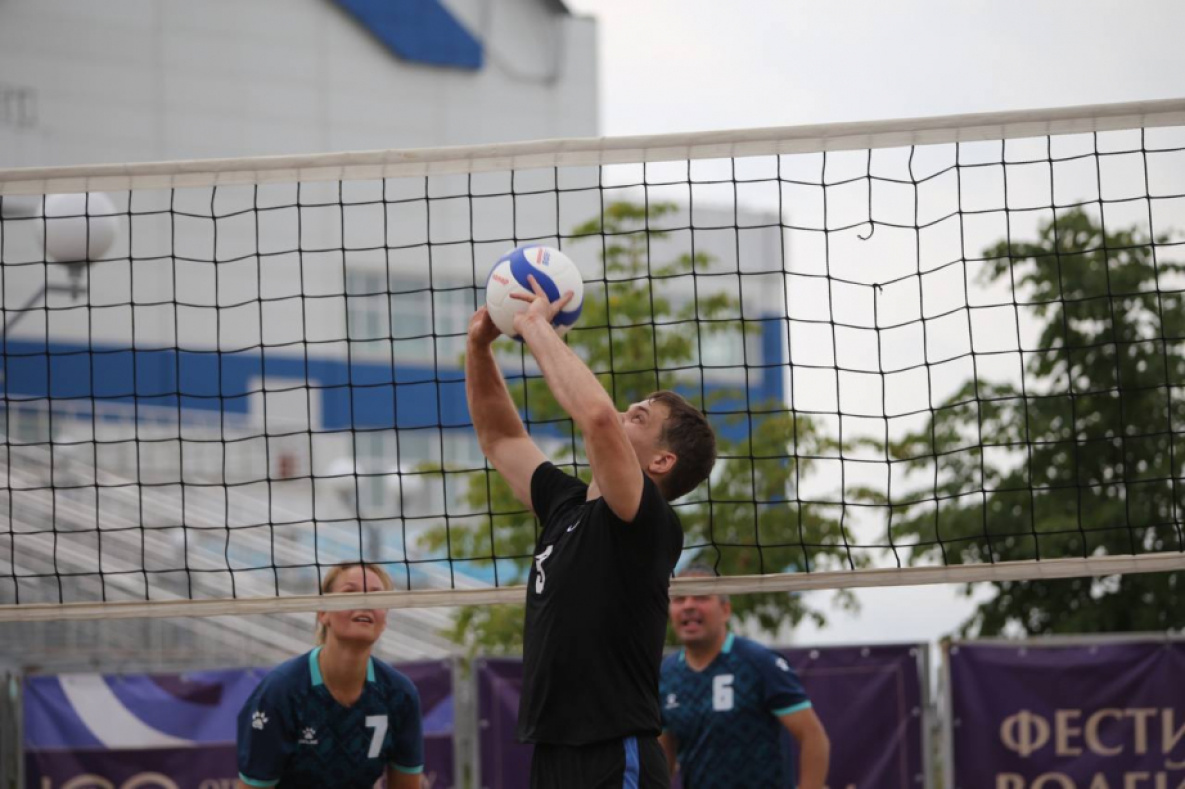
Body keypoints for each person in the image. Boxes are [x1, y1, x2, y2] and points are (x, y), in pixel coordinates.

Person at [466, 277, 717, 789]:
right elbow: (500, 437)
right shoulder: (565, 504)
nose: (625, 414)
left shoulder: (647, 523)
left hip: (614, 750)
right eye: (631, 409)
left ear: (661, 461)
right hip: (553, 750)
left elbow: (597, 417)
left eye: (640, 418)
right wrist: (478, 346)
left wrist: (535, 324)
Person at [235, 562, 424, 789]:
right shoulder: (281, 692)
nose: (365, 603)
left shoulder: (399, 694)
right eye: (350, 593)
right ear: (323, 613)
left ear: (385, 620)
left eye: (376, 597)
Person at [659, 565, 830, 789]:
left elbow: (812, 737)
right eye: (679, 599)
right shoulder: (667, 673)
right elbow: (664, 757)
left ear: (726, 610)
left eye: (701, 597)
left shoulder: (759, 662)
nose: (689, 605)